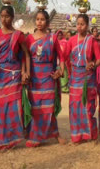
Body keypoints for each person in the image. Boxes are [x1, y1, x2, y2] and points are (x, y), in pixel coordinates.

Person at [0, 1, 30, 152]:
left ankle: (12, 139)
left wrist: (26, 72)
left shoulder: (18, 35)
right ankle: (0, 138)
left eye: (7, 16)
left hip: (14, 76)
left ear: (12, 17)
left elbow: (26, 54)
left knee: (13, 107)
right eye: (2, 16)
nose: (4, 19)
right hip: (0, 76)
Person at [25, 9, 66, 147]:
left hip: (48, 77)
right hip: (34, 77)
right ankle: (35, 136)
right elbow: (25, 58)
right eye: (37, 19)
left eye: (42, 19)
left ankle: (55, 134)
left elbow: (61, 55)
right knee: (35, 107)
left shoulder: (52, 38)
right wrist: (25, 73)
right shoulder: (29, 39)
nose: (39, 22)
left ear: (47, 22)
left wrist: (60, 70)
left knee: (49, 107)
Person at [65, 14, 100, 144]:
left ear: (88, 25)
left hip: (87, 78)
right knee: (74, 106)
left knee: (87, 105)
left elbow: (99, 59)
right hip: (75, 78)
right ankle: (76, 135)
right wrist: (69, 72)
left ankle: (89, 133)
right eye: (78, 24)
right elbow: (66, 58)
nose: (80, 26)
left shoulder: (91, 40)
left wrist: (93, 64)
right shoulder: (71, 40)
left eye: (83, 24)